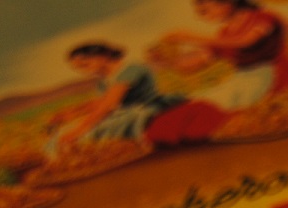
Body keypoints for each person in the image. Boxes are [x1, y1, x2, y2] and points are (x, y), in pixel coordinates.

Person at [56, 42, 226, 148]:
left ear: (103, 55)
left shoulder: (131, 69)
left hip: (147, 107)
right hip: (126, 111)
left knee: (94, 131)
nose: (83, 70)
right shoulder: (103, 81)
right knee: (75, 130)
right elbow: (101, 102)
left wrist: (79, 129)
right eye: (78, 68)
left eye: (85, 63)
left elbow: (109, 104)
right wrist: (74, 112)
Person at [162, 0, 288, 110]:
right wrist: (169, 62)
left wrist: (193, 37)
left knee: (224, 105)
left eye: (205, 10)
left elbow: (246, 41)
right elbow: (200, 60)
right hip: (243, 80)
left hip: (272, 75)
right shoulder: (225, 33)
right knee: (199, 102)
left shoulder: (263, 17)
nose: (204, 16)